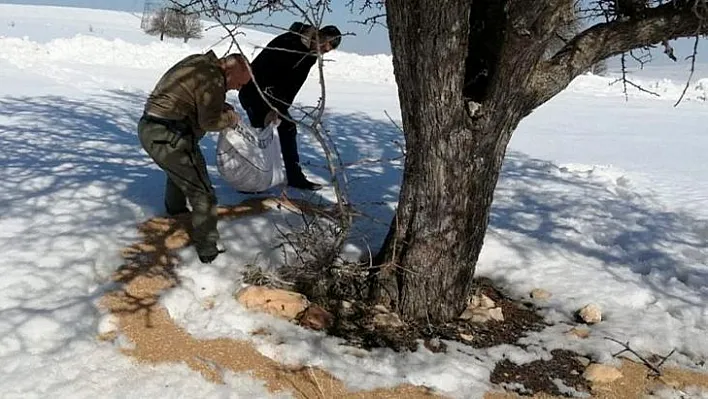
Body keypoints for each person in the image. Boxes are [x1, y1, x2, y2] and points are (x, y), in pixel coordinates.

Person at [138, 50, 251, 264]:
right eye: (239, 83)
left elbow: (195, 100)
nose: (238, 88)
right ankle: (208, 251)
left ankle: (176, 212)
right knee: (203, 193)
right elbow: (209, 122)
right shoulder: (213, 79)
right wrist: (229, 118)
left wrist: (219, 105)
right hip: (168, 134)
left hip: (152, 128)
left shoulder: (200, 62)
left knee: (181, 172)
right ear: (230, 70)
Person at [238, 22, 342, 191]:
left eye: (326, 51)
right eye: (323, 47)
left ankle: (293, 176)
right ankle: (250, 180)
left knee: (286, 128)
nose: (322, 52)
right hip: (254, 92)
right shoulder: (288, 42)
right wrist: (272, 108)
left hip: (273, 98)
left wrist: (280, 108)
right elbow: (263, 74)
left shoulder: (310, 54)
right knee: (261, 134)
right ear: (319, 36)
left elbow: (292, 85)